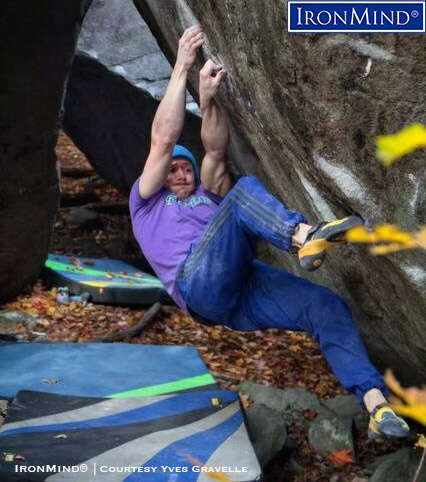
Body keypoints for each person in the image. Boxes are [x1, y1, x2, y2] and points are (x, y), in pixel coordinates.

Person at [129, 24, 409, 440]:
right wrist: (182, 67)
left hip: (239, 293)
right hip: (197, 285)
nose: (182, 172)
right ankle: (301, 236)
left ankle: (375, 404)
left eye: (187, 166)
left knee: (324, 305)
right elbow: (163, 139)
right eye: (174, 169)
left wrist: (207, 102)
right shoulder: (147, 202)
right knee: (241, 196)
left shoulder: (207, 197)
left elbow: (217, 150)